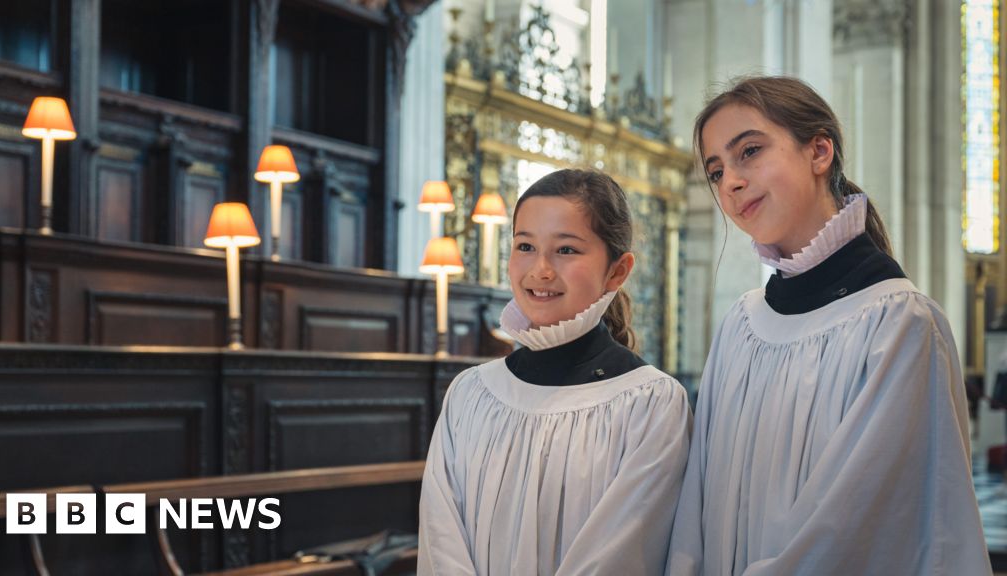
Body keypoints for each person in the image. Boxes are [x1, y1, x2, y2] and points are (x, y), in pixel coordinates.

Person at [667, 76, 991, 575]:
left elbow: (859, 524)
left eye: (749, 151)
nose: (730, 181)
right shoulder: (743, 325)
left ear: (819, 151)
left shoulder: (900, 322)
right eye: (715, 172)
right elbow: (698, 505)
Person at [418, 169, 691, 575]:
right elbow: (441, 539)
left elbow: (620, 552)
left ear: (617, 271)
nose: (540, 269)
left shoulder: (650, 403)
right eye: (525, 246)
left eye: (565, 250)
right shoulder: (471, 394)